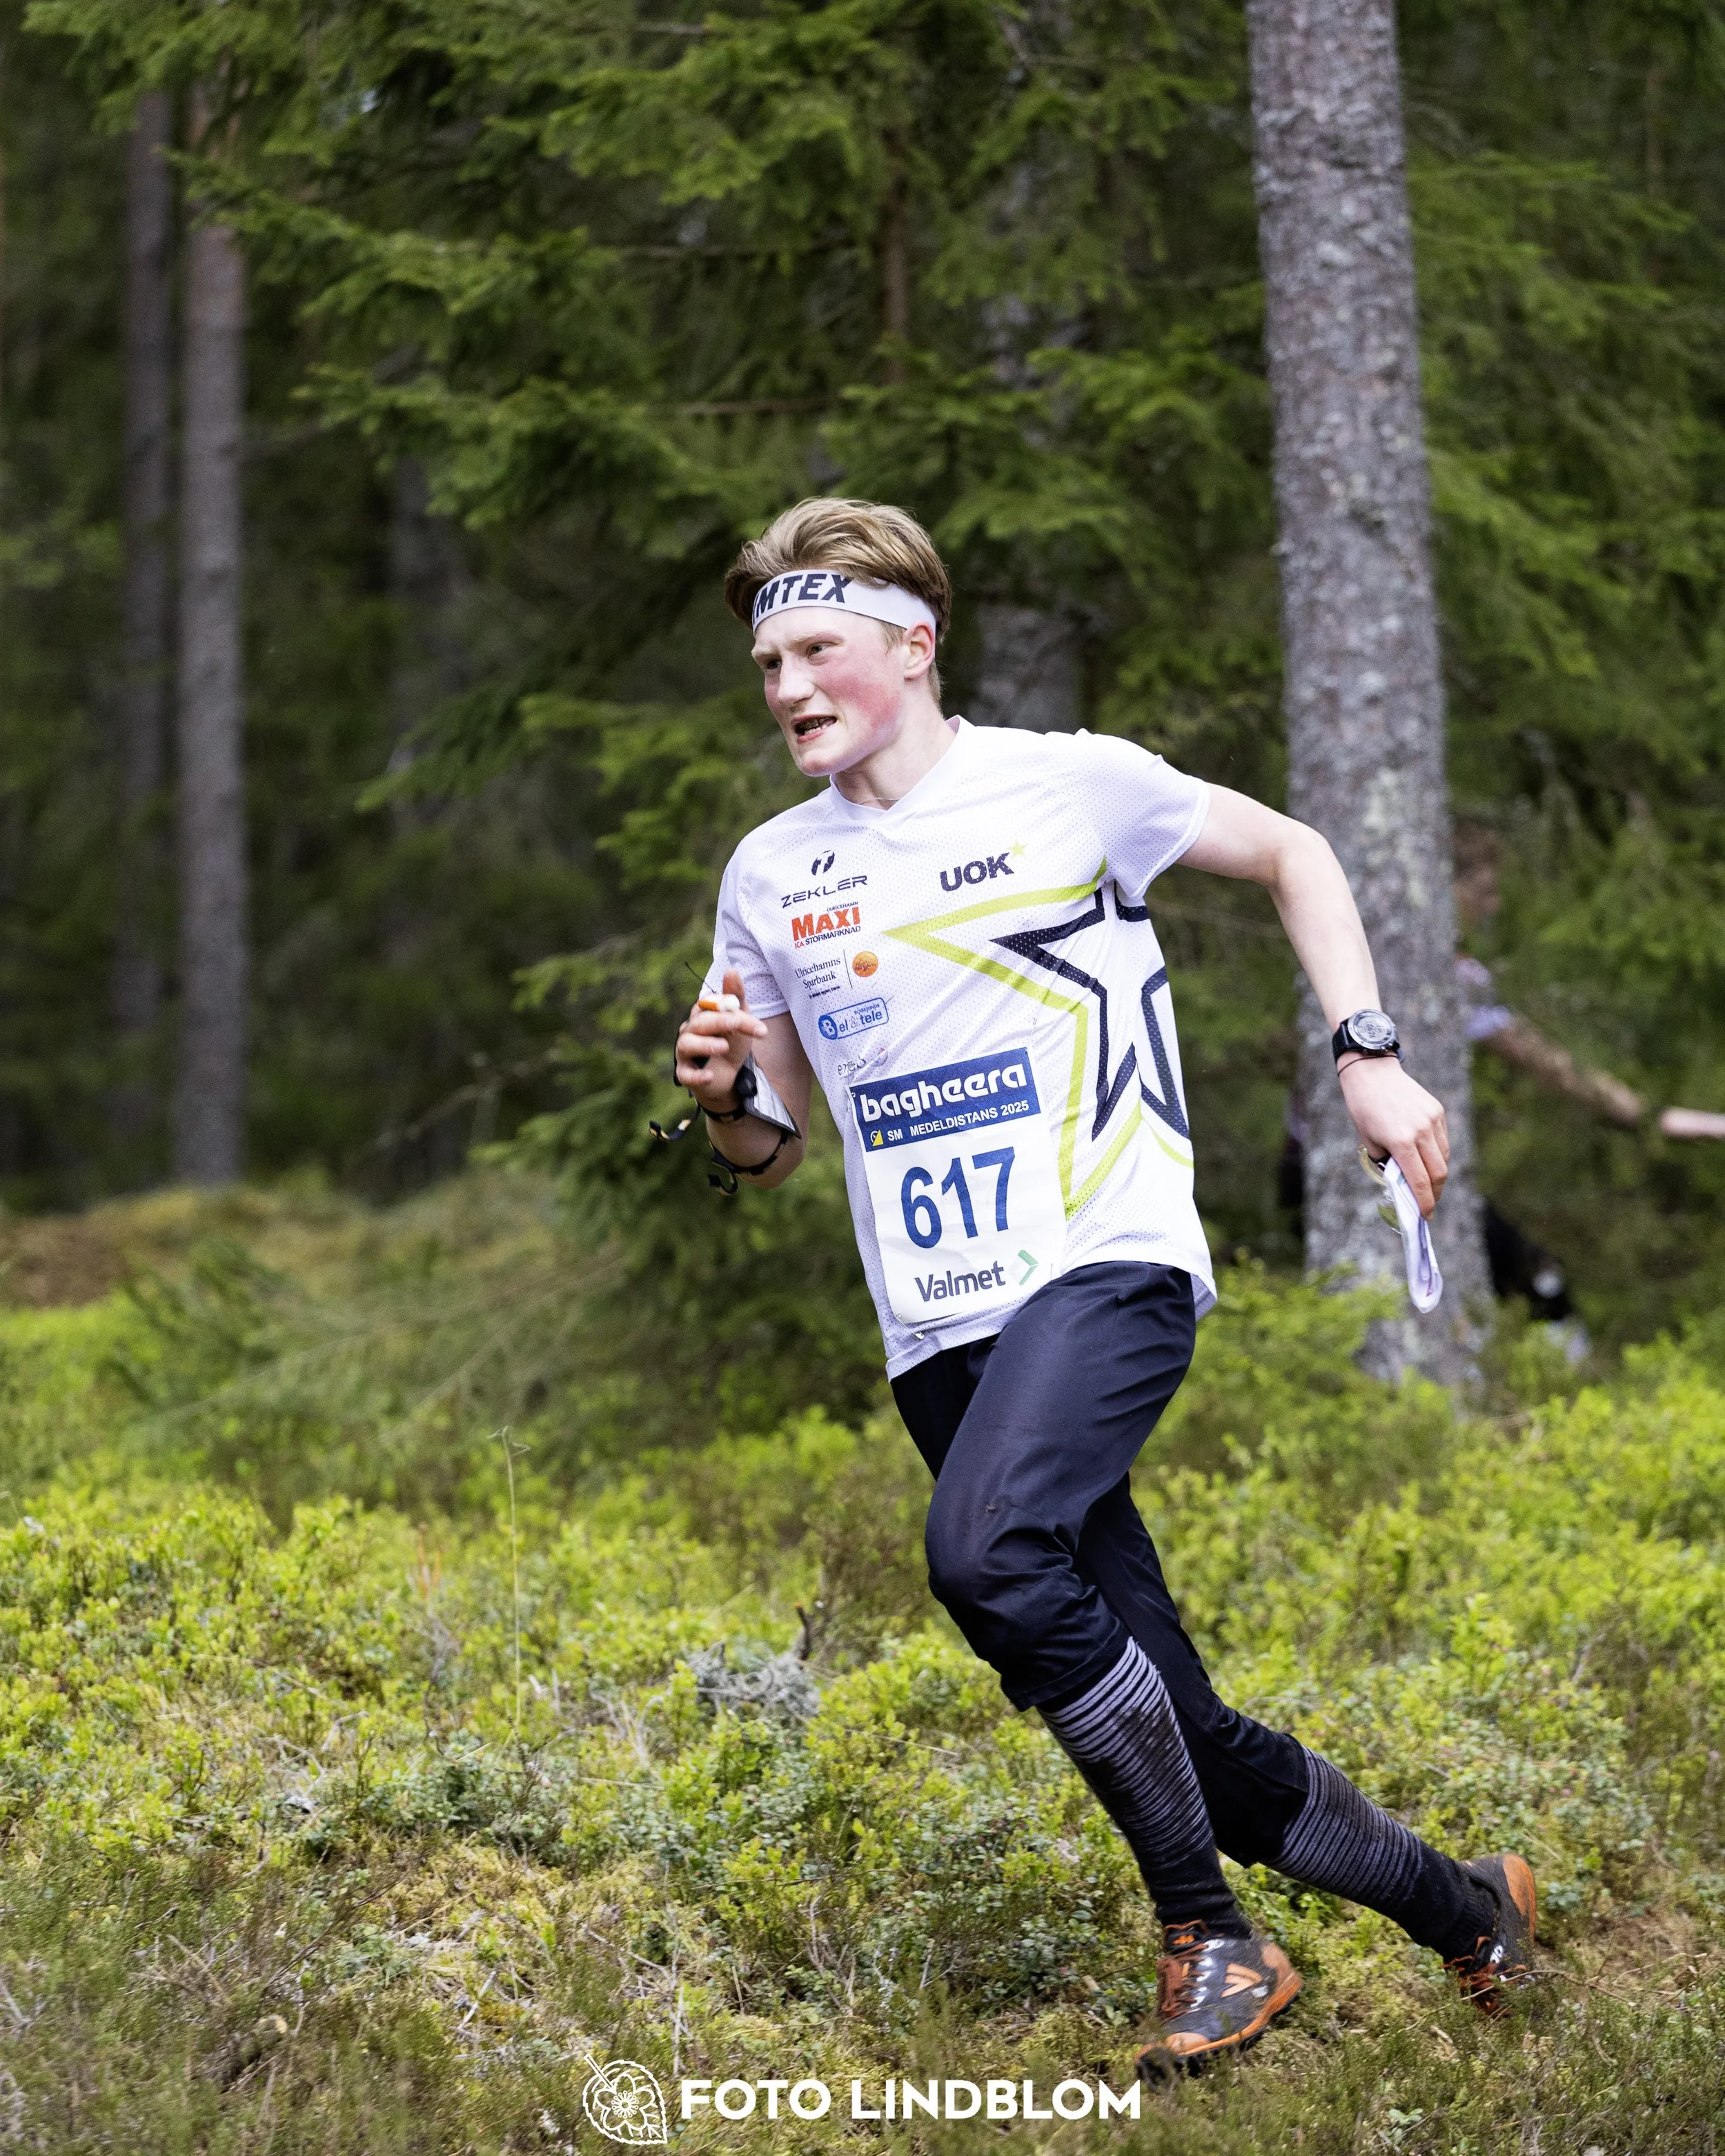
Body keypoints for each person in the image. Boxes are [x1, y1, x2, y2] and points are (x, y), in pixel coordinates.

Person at [672, 497, 1536, 2073]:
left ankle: (1208, 1936)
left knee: (984, 1552)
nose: (786, 682)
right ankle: (1465, 1905)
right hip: (938, 1323)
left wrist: (1368, 1053)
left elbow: (1293, 851)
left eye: (815, 648)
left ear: (909, 647)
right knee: (1175, 1725)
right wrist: (724, 1089)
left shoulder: (1066, 781)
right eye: (767, 660)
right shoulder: (769, 871)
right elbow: (767, 1143)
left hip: (1102, 1255)